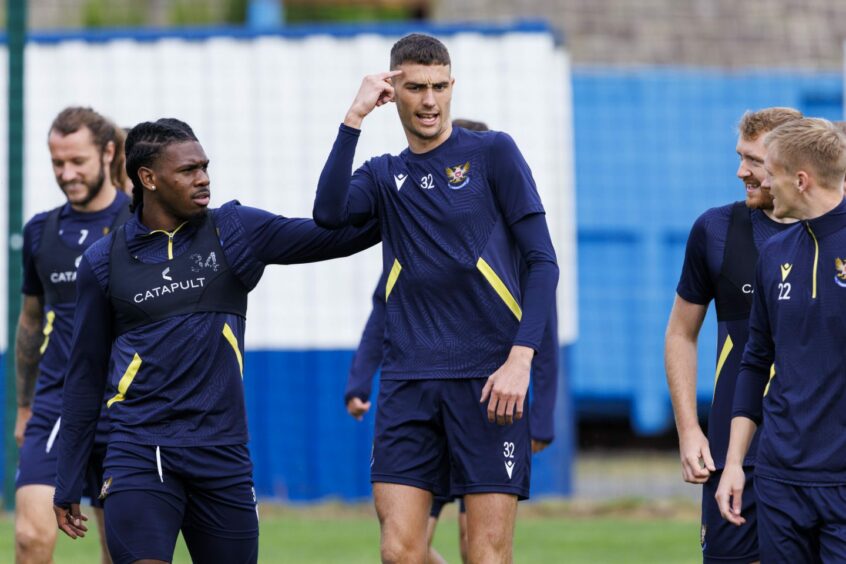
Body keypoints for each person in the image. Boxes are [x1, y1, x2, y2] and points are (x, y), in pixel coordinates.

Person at [52, 118, 380, 564]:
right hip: (139, 449)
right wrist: (69, 479)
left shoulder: (234, 231)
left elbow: (337, 234)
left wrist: (361, 143)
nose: (203, 178)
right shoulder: (103, 262)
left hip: (222, 453)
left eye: (204, 167)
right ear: (147, 178)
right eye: (188, 170)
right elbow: (85, 375)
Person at [314, 33, 559, 562]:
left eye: (440, 86)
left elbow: (543, 263)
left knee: (486, 554)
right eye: (417, 88)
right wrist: (352, 118)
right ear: (392, 91)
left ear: (452, 87)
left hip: (489, 382)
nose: (430, 100)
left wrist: (521, 362)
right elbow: (328, 215)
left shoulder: (493, 153)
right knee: (399, 552)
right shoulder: (382, 175)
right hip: (407, 381)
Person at [664, 107, 802, 562]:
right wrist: (689, 430)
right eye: (740, 156)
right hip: (734, 458)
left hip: (816, 460)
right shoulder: (715, 230)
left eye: (754, 161)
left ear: (790, 163)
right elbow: (681, 334)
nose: (740, 170)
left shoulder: (834, 236)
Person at [715, 118, 846, 561]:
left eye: (771, 172)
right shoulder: (774, 252)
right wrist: (734, 464)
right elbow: (755, 361)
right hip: (778, 480)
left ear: (801, 180)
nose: (763, 182)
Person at [14, 106, 131, 564]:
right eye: (57, 163)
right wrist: (25, 406)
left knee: (119, 552)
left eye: (77, 161)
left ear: (106, 153)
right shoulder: (41, 232)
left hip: (124, 412)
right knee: (29, 537)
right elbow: (29, 323)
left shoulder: (139, 223)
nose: (67, 173)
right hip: (56, 407)